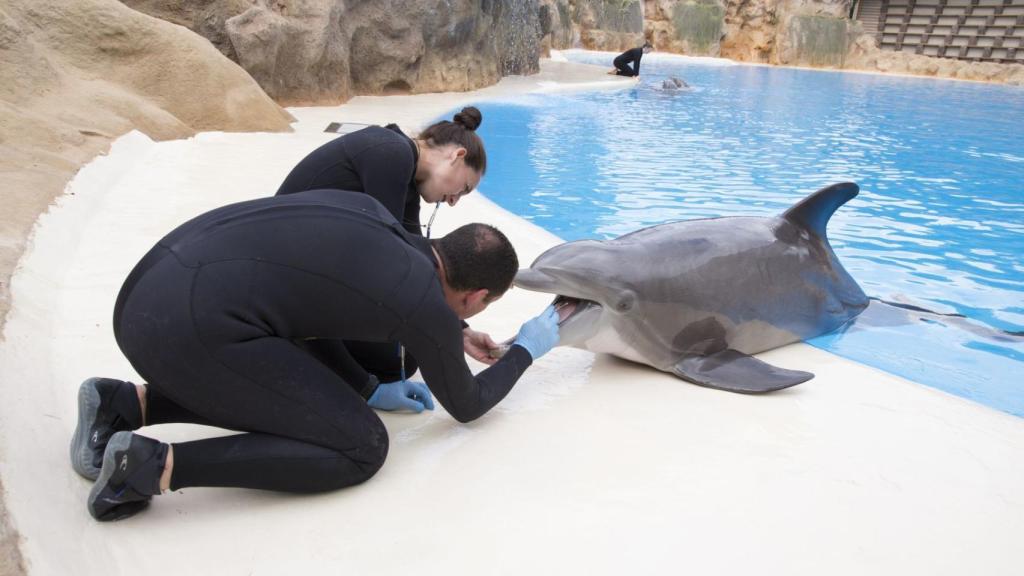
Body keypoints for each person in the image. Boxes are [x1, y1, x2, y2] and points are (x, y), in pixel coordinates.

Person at [70, 189, 560, 521]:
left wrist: (452, 331)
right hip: (177, 333)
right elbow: (468, 404)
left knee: (313, 397)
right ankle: (148, 468)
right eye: (476, 308)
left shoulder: (374, 213)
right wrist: (526, 348)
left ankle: (126, 404)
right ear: (475, 296)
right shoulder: (422, 301)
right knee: (361, 446)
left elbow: (322, 294)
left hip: (146, 295)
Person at [275, 107, 497, 388]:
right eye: (464, 188)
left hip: (312, 271)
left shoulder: (406, 178)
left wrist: (459, 331)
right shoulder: (390, 153)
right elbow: (391, 258)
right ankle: (302, 348)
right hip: (284, 276)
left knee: (402, 357)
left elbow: (418, 258)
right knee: (395, 360)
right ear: (457, 155)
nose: (454, 201)